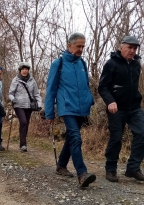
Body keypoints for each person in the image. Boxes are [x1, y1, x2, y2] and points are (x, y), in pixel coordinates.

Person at [45, 32, 96, 188]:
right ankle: (82, 174)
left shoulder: (83, 64)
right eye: (78, 46)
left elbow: (85, 86)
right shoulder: (58, 64)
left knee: (71, 138)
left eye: (83, 46)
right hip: (66, 107)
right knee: (76, 137)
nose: (81, 49)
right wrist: (49, 112)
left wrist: (90, 100)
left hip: (81, 108)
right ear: (69, 45)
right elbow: (51, 89)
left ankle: (61, 165)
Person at [98, 36, 144, 182]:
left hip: (134, 108)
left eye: (135, 48)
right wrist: (110, 101)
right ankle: (111, 169)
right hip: (117, 108)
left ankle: (133, 168)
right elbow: (102, 87)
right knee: (116, 138)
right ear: (121, 47)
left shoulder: (136, 65)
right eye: (130, 47)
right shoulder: (111, 64)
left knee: (142, 134)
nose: (132, 51)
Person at [8, 62, 42, 152]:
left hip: (28, 105)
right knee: (23, 122)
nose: (25, 71)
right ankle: (23, 144)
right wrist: (13, 99)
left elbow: (36, 94)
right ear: (20, 70)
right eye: (23, 69)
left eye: (26, 69)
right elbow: (11, 93)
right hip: (18, 104)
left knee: (26, 124)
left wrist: (39, 103)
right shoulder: (15, 80)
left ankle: (23, 144)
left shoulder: (32, 80)